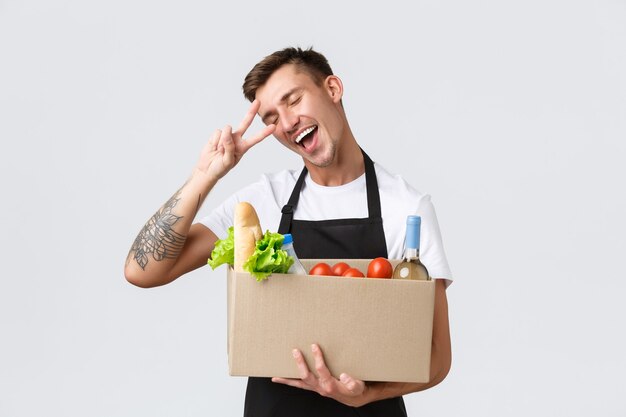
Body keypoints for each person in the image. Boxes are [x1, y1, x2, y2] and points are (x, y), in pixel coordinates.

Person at [124, 47, 453, 417]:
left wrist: (366, 395)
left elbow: (438, 357)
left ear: (332, 88)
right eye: (271, 117)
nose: (287, 122)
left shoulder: (406, 208)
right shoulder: (263, 201)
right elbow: (142, 271)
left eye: (293, 100)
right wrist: (206, 176)